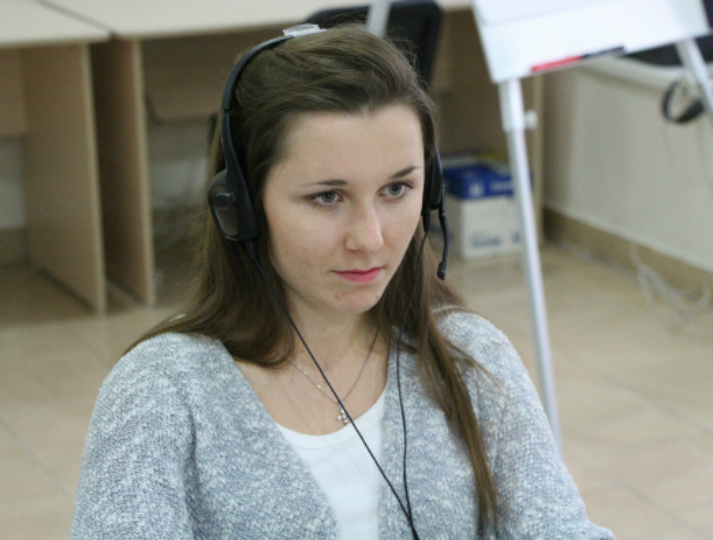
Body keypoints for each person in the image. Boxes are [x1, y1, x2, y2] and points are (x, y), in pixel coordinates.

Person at [71, 24, 614, 540]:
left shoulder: (471, 356)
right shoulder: (161, 393)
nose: (370, 239)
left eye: (397, 190)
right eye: (327, 197)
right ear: (242, 208)